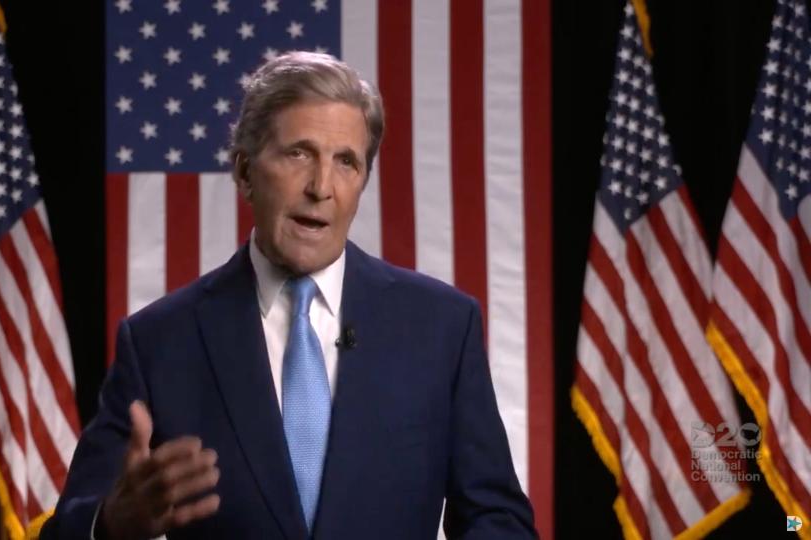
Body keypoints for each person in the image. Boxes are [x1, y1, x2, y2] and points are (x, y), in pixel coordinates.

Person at [40, 51, 536, 540]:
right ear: (245, 171)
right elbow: (67, 529)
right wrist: (108, 525)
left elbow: (499, 520)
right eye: (298, 153)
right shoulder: (158, 341)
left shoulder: (441, 327)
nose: (322, 186)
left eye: (346, 162)